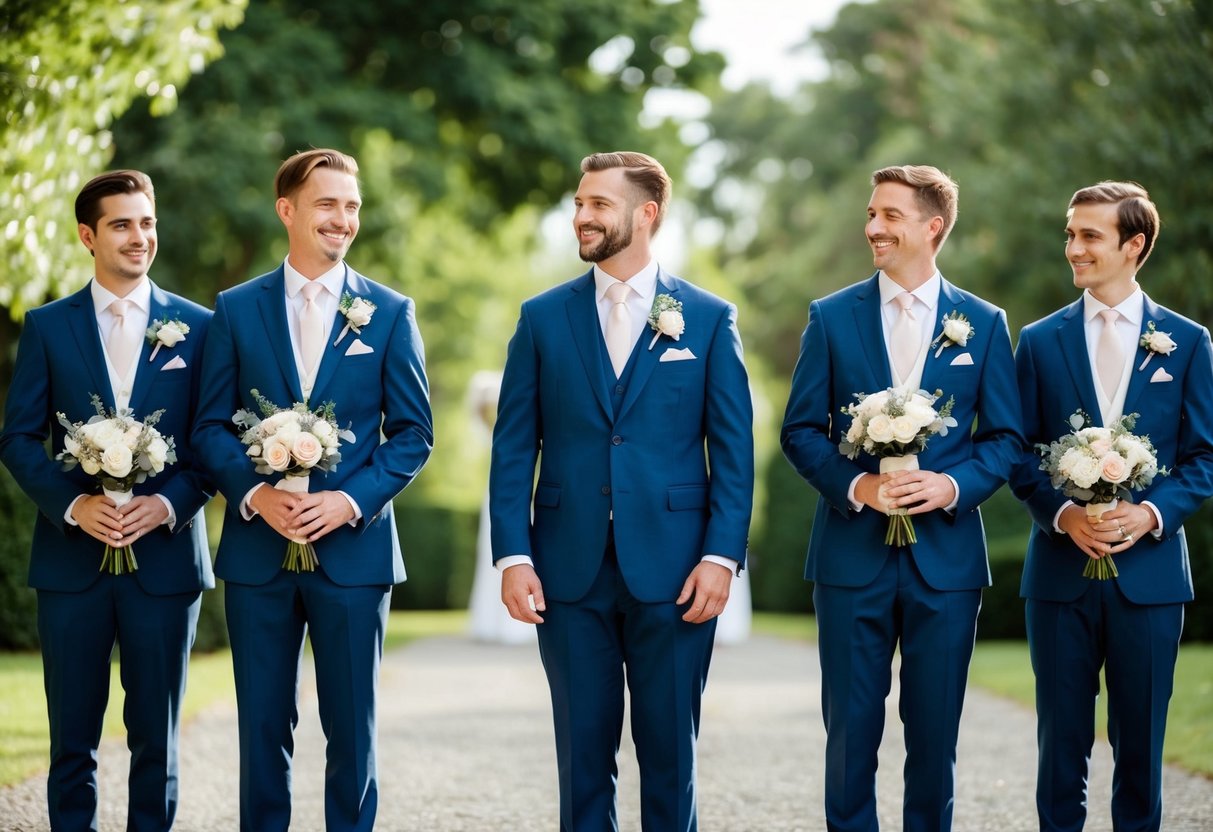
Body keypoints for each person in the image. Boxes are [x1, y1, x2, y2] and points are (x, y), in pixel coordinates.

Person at [489, 151, 754, 831]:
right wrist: (512, 556)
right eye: (579, 203)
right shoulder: (542, 319)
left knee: (671, 759)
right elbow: (515, 447)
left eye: (598, 204)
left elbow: (731, 452)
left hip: (676, 573)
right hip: (566, 571)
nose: (581, 216)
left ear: (646, 214)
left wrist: (721, 558)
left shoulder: (707, 317)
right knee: (581, 760)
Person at [192, 148, 433, 832]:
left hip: (354, 556)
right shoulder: (235, 311)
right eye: (327, 204)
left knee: (352, 733)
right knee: (261, 728)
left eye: (351, 206)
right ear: (287, 210)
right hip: (257, 556)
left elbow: (413, 433)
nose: (342, 219)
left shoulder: (388, 312)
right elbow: (207, 426)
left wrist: (348, 500)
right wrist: (253, 493)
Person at [780, 164, 1023, 832]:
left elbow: (1004, 440)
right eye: (870, 214)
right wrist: (856, 485)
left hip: (945, 563)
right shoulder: (831, 317)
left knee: (935, 738)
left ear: (931, 226)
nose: (872, 228)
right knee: (850, 734)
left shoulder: (982, 321)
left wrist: (950, 485)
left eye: (888, 215)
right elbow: (798, 430)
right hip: (849, 557)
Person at [0, 170, 214, 831]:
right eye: (122, 224)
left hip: (166, 561)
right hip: (71, 567)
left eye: (147, 222)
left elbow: (213, 440)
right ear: (88, 235)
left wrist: (170, 504)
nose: (140, 236)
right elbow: (18, 437)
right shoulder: (46, 327)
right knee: (72, 742)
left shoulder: (202, 327)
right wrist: (73, 506)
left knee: (158, 739)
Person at [1011, 181, 1213, 831]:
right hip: (1058, 578)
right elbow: (1014, 453)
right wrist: (1061, 515)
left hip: (1150, 580)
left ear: (1134, 245)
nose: (1072, 247)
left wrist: (1150, 513)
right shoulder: (1038, 342)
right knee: (1058, 749)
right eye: (1069, 234)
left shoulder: (1186, 342)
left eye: (1088, 236)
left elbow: (1204, 457)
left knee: (1141, 752)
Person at [466, 370, 535, 644]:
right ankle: (491, 621)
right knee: (494, 556)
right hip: (498, 495)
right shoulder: (493, 432)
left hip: (515, 495)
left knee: (514, 555)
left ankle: (509, 623)